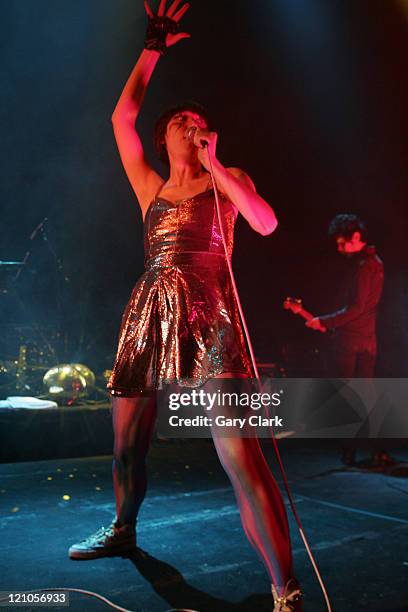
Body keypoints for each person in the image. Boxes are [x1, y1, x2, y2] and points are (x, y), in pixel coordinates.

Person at [69, 2, 301, 610]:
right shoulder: (151, 186)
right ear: (167, 136)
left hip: (212, 313)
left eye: (200, 120)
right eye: (182, 120)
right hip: (151, 308)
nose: (193, 124)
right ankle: (122, 529)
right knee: (126, 444)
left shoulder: (229, 176)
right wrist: (152, 47)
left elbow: (267, 223)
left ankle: (285, 588)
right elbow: (120, 118)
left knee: (240, 456)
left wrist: (220, 165)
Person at [306, 213, 394, 466]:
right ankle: (373, 450)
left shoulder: (365, 266)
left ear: (356, 237)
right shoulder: (371, 262)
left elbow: (356, 308)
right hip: (366, 340)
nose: (339, 248)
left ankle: (353, 450)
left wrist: (325, 321)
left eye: (342, 242)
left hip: (352, 342)